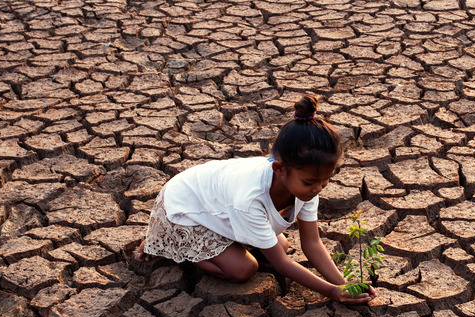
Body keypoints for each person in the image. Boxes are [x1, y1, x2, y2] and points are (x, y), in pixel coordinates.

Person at [137, 95, 376, 305]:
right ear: (280, 169)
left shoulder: (306, 184)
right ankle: (173, 245)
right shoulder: (251, 198)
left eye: (325, 181)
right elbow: (282, 264)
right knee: (245, 269)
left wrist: (345, 285)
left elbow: (311, 244)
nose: (318, 188)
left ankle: (212, 246)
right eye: (311, 183)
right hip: (182, 208)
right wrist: (332, 292)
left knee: (280, 244)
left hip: (216, 206)